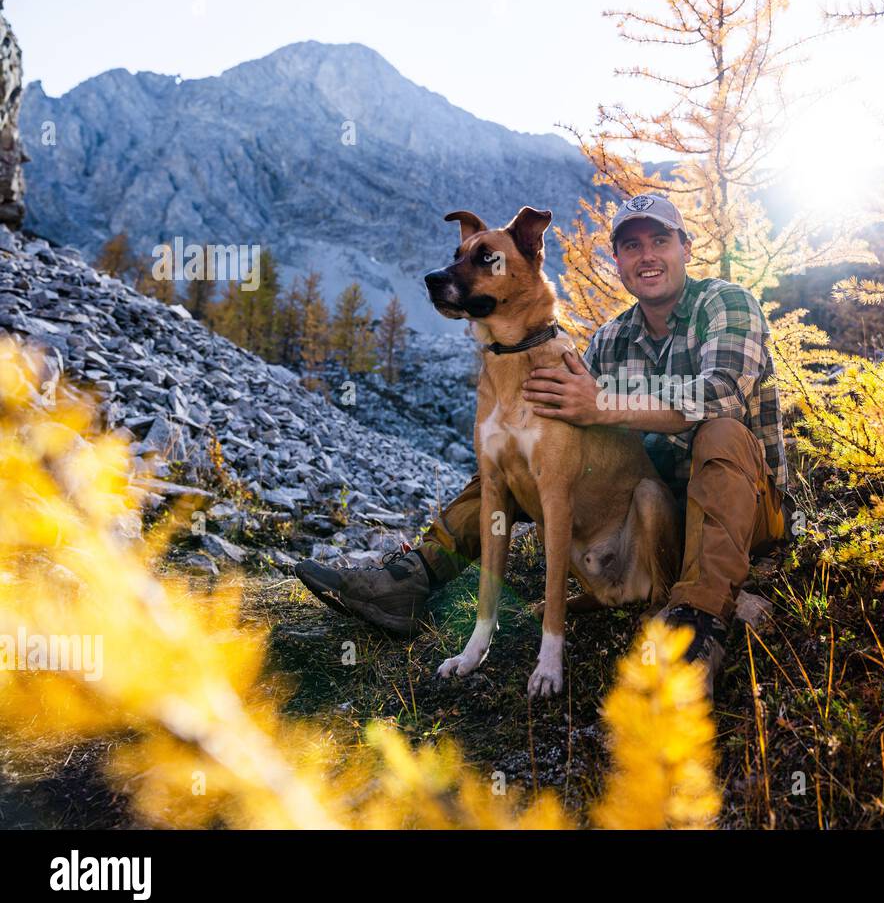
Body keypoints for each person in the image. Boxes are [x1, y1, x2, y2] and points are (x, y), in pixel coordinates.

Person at [295, 193, 789, 694]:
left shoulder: (726, 304)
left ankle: (696, 625)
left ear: (686, 247)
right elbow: (573, 446)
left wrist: (603, 404)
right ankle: (417, 574)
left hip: (740, 512)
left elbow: (723, 395)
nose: (647, 256)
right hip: (649, 524)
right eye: (631, 245)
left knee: (720, 431)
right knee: (517, 456)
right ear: (616, 260)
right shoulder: (609, 341)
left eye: (660, 241)